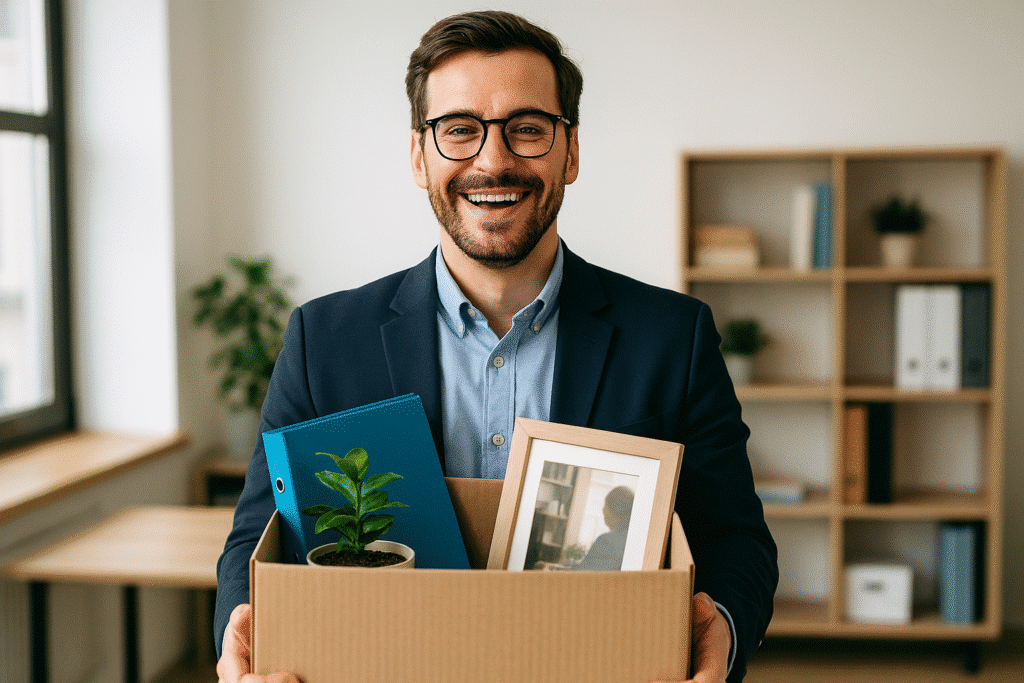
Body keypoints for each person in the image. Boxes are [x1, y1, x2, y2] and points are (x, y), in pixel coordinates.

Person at [214, 10, 777, 683]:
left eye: (527, 129)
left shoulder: (673, 337)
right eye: (460, 129)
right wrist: (241, 634)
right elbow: (258, 539)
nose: (493, 160)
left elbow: (735, 541)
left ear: (570, 151)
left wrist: (723, 631)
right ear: (419, 155)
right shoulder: (324, 341)